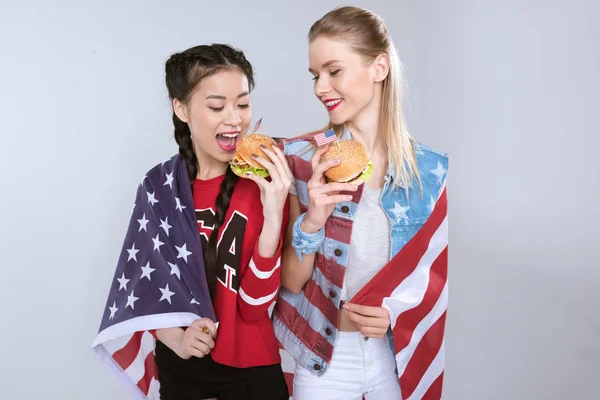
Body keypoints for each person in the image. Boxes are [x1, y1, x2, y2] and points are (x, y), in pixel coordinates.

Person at [92, 43, 291, 400]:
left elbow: (256, 308)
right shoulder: (160, 186)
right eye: (217, 106)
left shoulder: (266, 179)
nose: (234, 118)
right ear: (181, 108)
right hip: (181, 367)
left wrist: (274, 214)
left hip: (253, 370)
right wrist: (177, 338)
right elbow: (146, 287)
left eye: (243, 104)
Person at [274, 6, 449, 400]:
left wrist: (395, 313)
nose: (320, 87)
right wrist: (312, 222)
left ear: (379, 67)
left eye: (333, 71)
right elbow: (290, 280)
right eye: (315, 75)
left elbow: (431, 281)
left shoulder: (428, 173)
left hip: (391, 355)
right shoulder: (303, 160)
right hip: (324, 359)